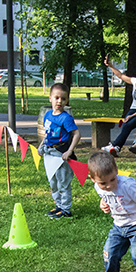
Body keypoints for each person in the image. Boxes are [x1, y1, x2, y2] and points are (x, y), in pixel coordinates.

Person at [38, 82, 80, 219]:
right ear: (50, 98)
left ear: (67, 100)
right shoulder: (48, 115)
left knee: (63, 182)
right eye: (56, 98)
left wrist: (69, 151)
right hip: (50, 154)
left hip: (61, 155)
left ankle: (66, 209)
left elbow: (76, 134)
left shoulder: (66, 118)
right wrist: (41, 145)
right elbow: (48, 134)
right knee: (53, 182)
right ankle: (58, 206)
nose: (59, 101)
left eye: (63, 98)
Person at [103, 60, 136, 156]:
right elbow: (121, 76)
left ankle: (114, 145)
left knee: (128, 125)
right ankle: (116, 147)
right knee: (125, 125)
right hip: (133, 109)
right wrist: (111, 66)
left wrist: (131, 116)